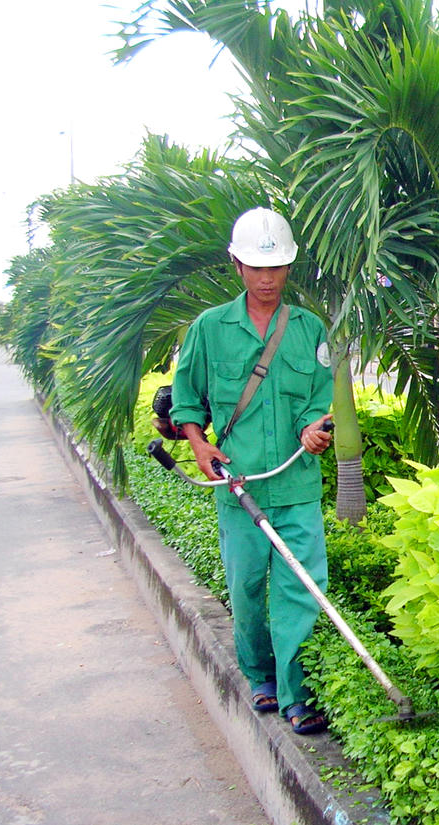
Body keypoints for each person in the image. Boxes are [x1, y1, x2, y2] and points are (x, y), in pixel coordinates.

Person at [170, 207, 335, 735]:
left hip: (296, 485)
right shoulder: (210, 328)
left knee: (300, 589)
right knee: (245, 588)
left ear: (289, 268)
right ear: (237, 266)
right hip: (238, 486)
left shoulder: (308, 329)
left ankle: (296, 694)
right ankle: (259, 674)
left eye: (277, 267)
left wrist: (313, 430)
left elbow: (319, 401)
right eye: (257, 267)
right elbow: (186, 399)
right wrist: (199, 444)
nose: (267, 278)